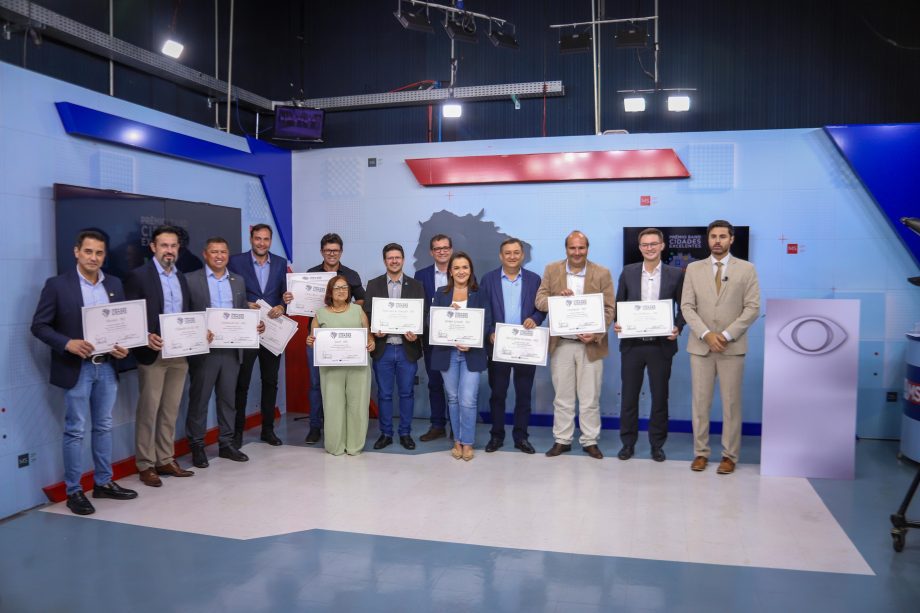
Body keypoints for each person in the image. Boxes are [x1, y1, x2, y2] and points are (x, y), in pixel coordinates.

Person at [31, 230, 137, 515]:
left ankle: (103, 482)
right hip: (76, 368)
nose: (94, 257)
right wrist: (67, 343)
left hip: (106, 366)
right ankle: (74, 490)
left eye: (99, 253)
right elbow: (39, 326)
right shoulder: (56, 285)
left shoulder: (114, 284)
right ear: (76, 252)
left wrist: (122, 347)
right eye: (88, 251)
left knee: (103, 426)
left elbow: (121, 326)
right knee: (75, 430)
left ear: (105, 255)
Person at [681, 219, 761, 475]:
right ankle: (701, 453)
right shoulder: (693, 269)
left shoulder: (747, 269)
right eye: (713, 236)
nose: (717, 241)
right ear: (708, 239)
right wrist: (706, 334)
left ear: (731, 239)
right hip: (701, 347)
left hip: (731, 347)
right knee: (700, 404)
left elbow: (752, 308)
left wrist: (725, 334)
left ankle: (729, 455)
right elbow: (686, 307)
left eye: (723, 236)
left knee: (731, 404)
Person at [125, 225, 195, 487]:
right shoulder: (138, 276)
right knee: (149, 410)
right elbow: (129, 317)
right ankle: (145, 463)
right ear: (153, 247)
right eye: (164, 245)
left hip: (179, 354)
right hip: (152, 354)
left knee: (170, 409)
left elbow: (186, 313)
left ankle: (165, 458)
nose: (169, 250)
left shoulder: (181, 277)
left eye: (173, 246)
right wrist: (144, 335)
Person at [535, 231, 615, 459]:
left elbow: (610, 309)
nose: (577, 253)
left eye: (581, 248)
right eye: (573, 248)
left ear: (587, 249)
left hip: (591, 345)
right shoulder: (552, 270)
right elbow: (539, 301)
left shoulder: (602, 272)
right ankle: (562, 439)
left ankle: (590, 440)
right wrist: (557, 299)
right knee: (562, 396)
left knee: (590, 397)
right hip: (562, 344)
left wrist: (597, 333)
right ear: (566, 249)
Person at [186, 237, 262, 466]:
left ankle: (226, 444)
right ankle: (197, 445)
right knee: (199, 399)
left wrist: (255, 325)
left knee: (228, 399)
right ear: (205, 254)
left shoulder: (237, 281)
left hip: (231, 351)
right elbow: (186, 315)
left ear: (228, 255)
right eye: (214, 252)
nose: (219, 256)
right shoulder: (190, 280)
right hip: (204, 351)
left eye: (223, 252)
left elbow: (241, 313)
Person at [613, 228, 684, 463]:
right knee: (629, 398)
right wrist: (618, 324)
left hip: (661, 346)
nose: (650, 248)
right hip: (632, 346)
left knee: (659, 397)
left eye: (654, 244)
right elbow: (619, 304)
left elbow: (685, 307)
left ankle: (657, 445)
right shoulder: (628, 272)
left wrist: (678, 327)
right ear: (640, 247)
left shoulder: (676, 274)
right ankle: (628, 444)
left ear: (662, 246)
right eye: (645, 244)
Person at [480, 238, 546, 454]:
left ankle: (521, 437)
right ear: (501, 256)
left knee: (523, 395)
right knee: (497, 394)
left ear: (522, 255)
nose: (512, 256)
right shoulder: (488, 280)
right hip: (498, 347)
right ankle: (496, 436)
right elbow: (484, 309)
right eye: (507, 253)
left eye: (516, 252)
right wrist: (489, 332)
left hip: (525, 347)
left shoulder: (534, 280)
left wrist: (535, 319)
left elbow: (541, 308)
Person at [302, 233, 365, 446]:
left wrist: (347, 311)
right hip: (317, 338)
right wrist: (291, 300)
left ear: (341, 252)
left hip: (346, 340)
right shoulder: (310, 274)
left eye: (335, 250)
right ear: (322, 252)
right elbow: (300, 303)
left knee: (341, 386)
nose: (331, 254)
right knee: (316, 384)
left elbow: (362, 299)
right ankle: (315, 427)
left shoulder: (351, 275)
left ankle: (341, 428)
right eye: (328, 250)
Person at [228, 224, 288, 447]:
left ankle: (268, 430)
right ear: (251, 239)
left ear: (271, 241)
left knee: (270, 382)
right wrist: (244, 304)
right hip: (247, 331)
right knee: (241, 383)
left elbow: (286, 295)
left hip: (273, 332)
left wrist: (282, 306)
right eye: (258, 238)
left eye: (266, 239)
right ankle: (236, 434)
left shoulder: (281, 263)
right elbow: (229, 294)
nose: (262, 243)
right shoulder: (235, 262)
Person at [429, 253, 493, 461]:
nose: (461, 271)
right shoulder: (441, 293)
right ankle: (457, 440)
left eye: (465, 267)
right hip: (447, 354)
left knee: (468, 399)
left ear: (470, 270)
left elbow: (487, 322)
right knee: (453, 398)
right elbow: (431, 321)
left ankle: (468, 442)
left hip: (471, 354)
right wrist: (445, 314)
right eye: (456, 268)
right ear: (450, 271)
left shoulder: (480, 293)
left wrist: (472, 341)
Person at [363, 243, 426, 450]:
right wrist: (374, 330)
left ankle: (405, 433)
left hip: (407, 348)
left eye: (398, 257)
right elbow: (369, 315)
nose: (394, 261)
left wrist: (416, 332)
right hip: (384, 348)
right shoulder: (373, 284)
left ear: (403, 259)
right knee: (384, 394)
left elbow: (421, 316)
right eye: (390, 258)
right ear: (384, 261)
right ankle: (386, 433)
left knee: (407, 393)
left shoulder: (416, 285)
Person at [306, 275, 375, 455]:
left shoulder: (358, 310)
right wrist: (310, 340)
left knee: (357, 405)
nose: (342, 290)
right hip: (331, 368)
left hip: (358, 367)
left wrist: (371, 342)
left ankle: (354, 445)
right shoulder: (320, 314)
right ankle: (335, 445)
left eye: (344, 287)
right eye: (337, 288)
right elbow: (312, 339)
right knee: (333, 405)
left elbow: (368, 336)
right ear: (330, 291)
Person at [414, 234, 453, 442]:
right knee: (435, 383)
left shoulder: (461, 271)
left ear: (451, 250)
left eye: (445, 247)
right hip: (432, 339)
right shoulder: (421, 275)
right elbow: (417, 307)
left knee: (455, 386)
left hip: (458, 339)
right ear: (431, 252)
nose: (442, 251)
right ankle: (437, 425)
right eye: (437, 248)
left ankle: (457, 427)